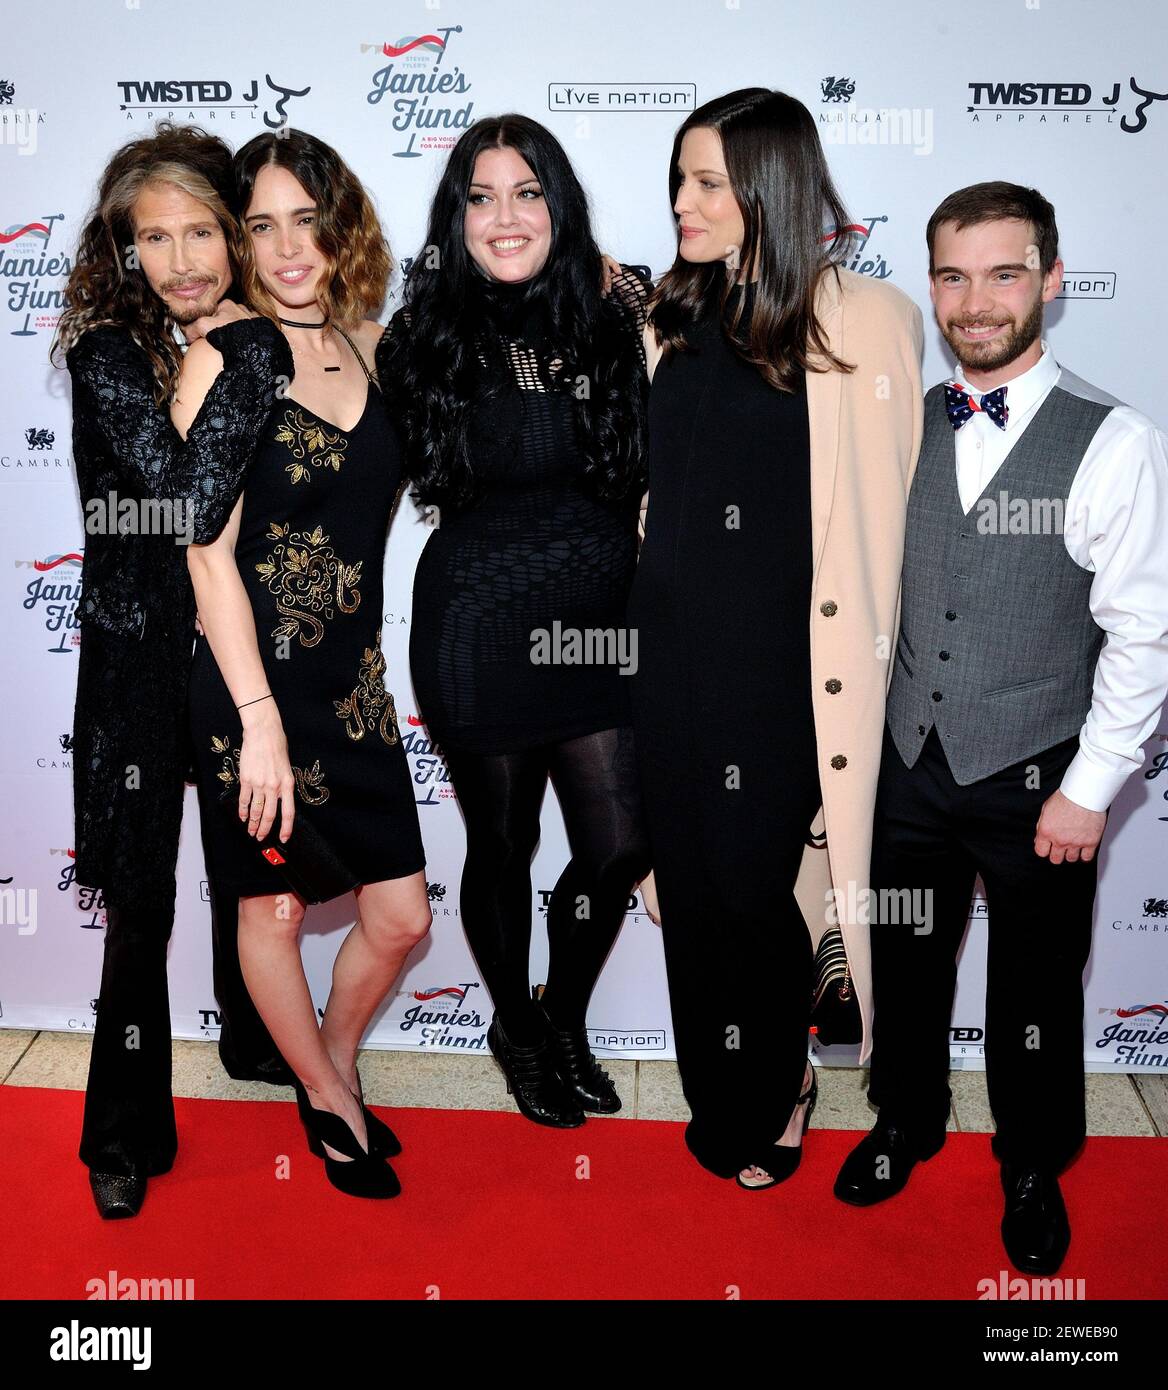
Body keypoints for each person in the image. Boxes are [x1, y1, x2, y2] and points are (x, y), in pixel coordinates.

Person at [833, 182, 1168, 1274]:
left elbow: (1146, 632)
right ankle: (905, 1120)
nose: (976, 301)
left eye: (1004, 272)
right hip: (906, 764)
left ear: (1051, 281)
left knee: (1032, 986)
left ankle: (1030, 1162)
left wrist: (1092, 785)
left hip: (1040, 776)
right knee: (906, 958)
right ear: (930, 285)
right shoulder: (905, 421)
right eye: (953, 275)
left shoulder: (1112, 441)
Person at [628, 88, 923, 1187]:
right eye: (679, 180)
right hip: (668, 659)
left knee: (753, 892)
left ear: (769, 187)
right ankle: (722, 1098)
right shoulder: (668, 322)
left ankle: (781, 1082)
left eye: (708, 182)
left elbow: (890, 519)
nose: (683, 203)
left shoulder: (868, 319)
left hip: (786, 671)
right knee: (693, 893)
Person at [377, 114, 652, 1128]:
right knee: (502, 845)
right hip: (478, 626)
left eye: (526, 192)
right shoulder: (426, 335)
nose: (504, 215)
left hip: (601, 628)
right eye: (480, 196)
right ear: (457, 215)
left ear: (558, 206)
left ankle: (560, 1013)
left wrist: (632, 286)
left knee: (622, 839)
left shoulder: (617, 314)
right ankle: (513, 1024)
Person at [179, 130, 431, 1198]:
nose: (287, 247)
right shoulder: (225, 357)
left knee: (401, 915)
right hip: (252, 691)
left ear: (342, 226)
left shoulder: (374, 344)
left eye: (306, 219)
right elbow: (203, 548)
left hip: (354, 683)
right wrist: (258, 722)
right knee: (272, 910)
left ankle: (324, 1054)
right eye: (261, 224)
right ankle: (330, 1098)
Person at [54, 123, 294, 1219]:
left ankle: (256, 1042)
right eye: (156, 237)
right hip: (142, 658)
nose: (184, 258)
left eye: (204, 230)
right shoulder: (109, 354)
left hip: (245, 646)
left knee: (261, 872)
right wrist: (237, 354)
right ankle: (122, 1130)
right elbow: (183, 506)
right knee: (142, 903)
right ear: (123, 248)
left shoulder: (269, 333)